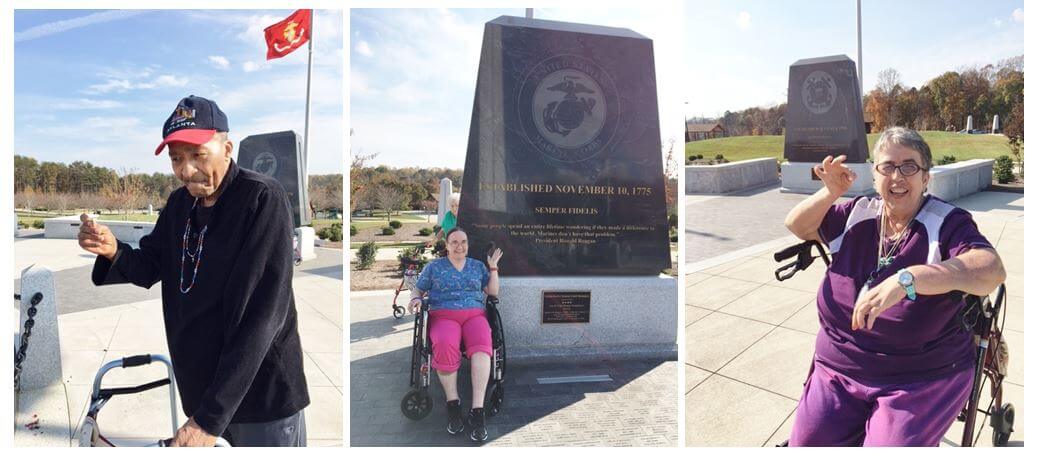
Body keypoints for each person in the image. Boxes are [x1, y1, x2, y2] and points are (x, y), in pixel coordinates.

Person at [77, 95, 310, 447]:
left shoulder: (261, 198)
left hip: (259, 397)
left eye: (198, 155)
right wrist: (112, 250)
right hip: (202, 393)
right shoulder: (178, 204)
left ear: (227, 148)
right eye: (176, 158)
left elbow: (262, 316)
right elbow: (149, 265)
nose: (186, 170)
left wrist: (208, 420)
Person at [782, 127, 1006, 446]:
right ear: (875, 176)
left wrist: (910, 279)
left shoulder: (947, 222)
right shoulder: (857, 213)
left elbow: (991, 268)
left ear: (925, 178)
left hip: (917, 378)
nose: (897, 176)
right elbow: (797, 225)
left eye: (909, 166)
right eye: (887, 166)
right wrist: (829, 192)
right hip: (836, 370)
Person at [409, 227, 502, 442]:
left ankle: (477, 410)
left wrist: (493, 268)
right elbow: (418, 290)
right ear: (447, 245)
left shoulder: (478, 267)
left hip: (474, 315)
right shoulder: (434, 267)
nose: (459, 246)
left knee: (482, 346)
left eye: (463, 241)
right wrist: (415, 299)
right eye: (454, 242)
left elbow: (493, 292)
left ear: (468, 244)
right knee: (444, 342)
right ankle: (453, 403)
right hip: (444, 315)